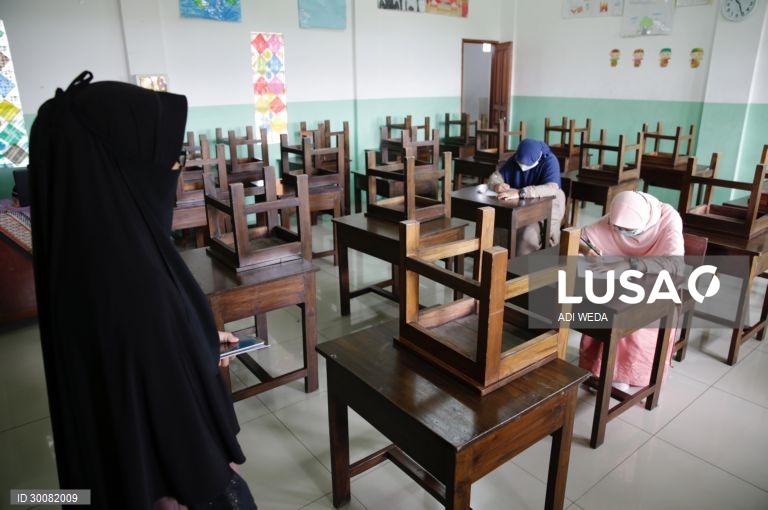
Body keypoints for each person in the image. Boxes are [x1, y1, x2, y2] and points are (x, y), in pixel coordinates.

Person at [29, 71, 257, 509]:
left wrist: (199, 341)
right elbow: (182, 440)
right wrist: (192, 348)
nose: (174, 172)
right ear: (118, 167)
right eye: (168, 161)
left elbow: (134, 370)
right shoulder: (134, 284)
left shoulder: (84, 257)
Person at [578, 190, 684, 392]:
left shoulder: (668, 218)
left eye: (627, 230)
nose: (621, 233)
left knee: (632, 311)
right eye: (617, 228)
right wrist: (589, 251)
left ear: (642, 222)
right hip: (620, 277)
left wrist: (630, 264)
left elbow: (675, 264)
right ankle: (598, 366)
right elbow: (581, 236)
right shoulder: (620, 212)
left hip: (656, 278)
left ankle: (623, 373)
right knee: (598, 303)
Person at [488, 138, 566, 255]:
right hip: (522, 206)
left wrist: (521, 192)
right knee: (499, 229)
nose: (522, 166)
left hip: (547, 205)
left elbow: (551, 188)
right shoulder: (515, 159)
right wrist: (497, 185)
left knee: (527, 236)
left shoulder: (549, 160)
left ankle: (525, 264)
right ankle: (500, 261)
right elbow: (495, 176)